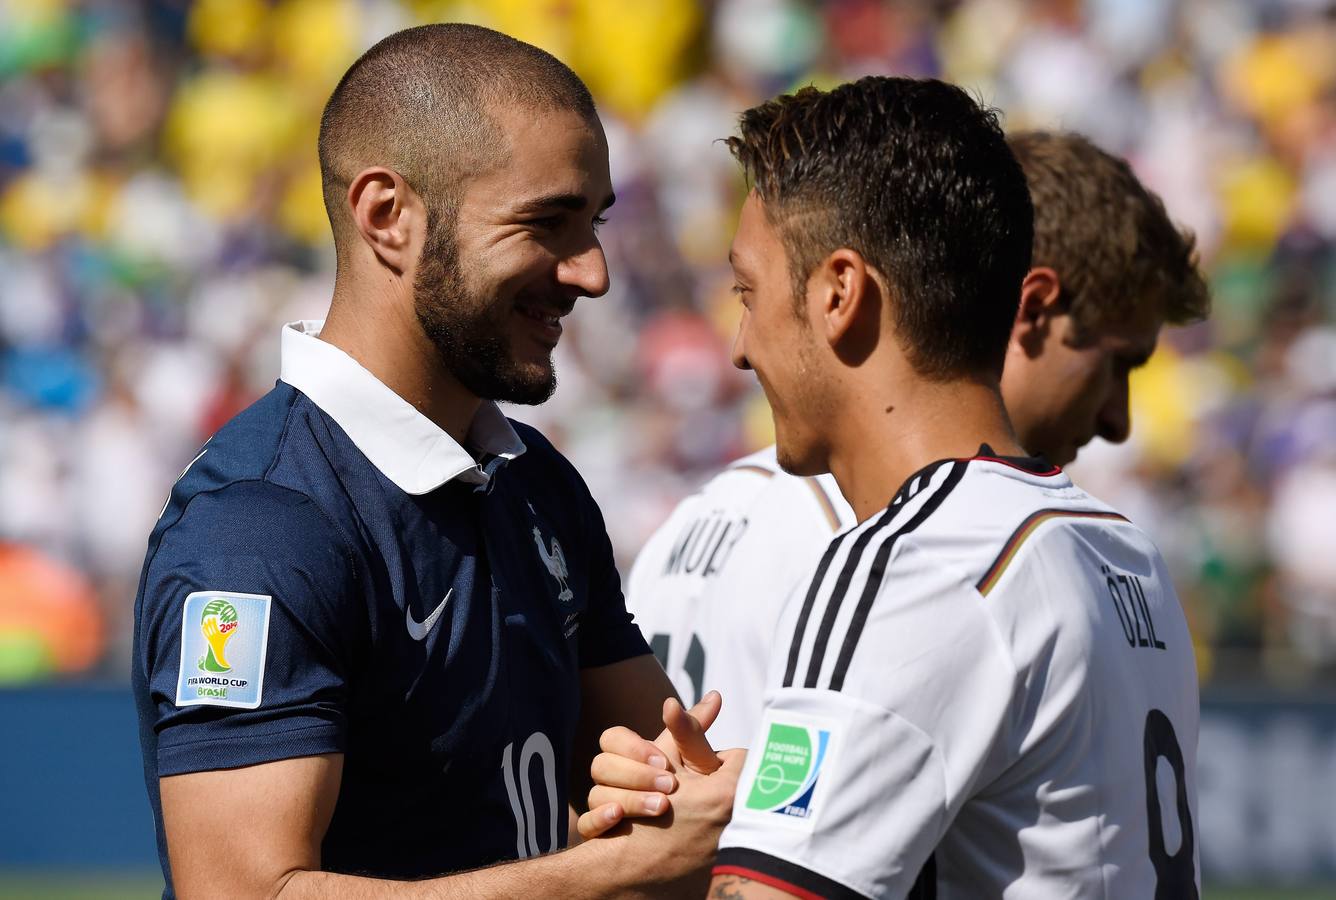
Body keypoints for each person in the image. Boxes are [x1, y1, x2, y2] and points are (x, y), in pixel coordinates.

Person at [131, 24, 737, 899]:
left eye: (594, 224)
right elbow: (245, 893)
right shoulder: (259, 527)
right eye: (547, 224)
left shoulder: (537, 481)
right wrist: (612, 871)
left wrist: (666, 806)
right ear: (387, 216)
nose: (594, 274)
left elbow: (670, 799)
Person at [588, 77, 1202, 897]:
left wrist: (646, 863)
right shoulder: (1125, 552)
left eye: (748, 293)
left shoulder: (908, 560)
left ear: (840, 293)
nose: (738, 346)